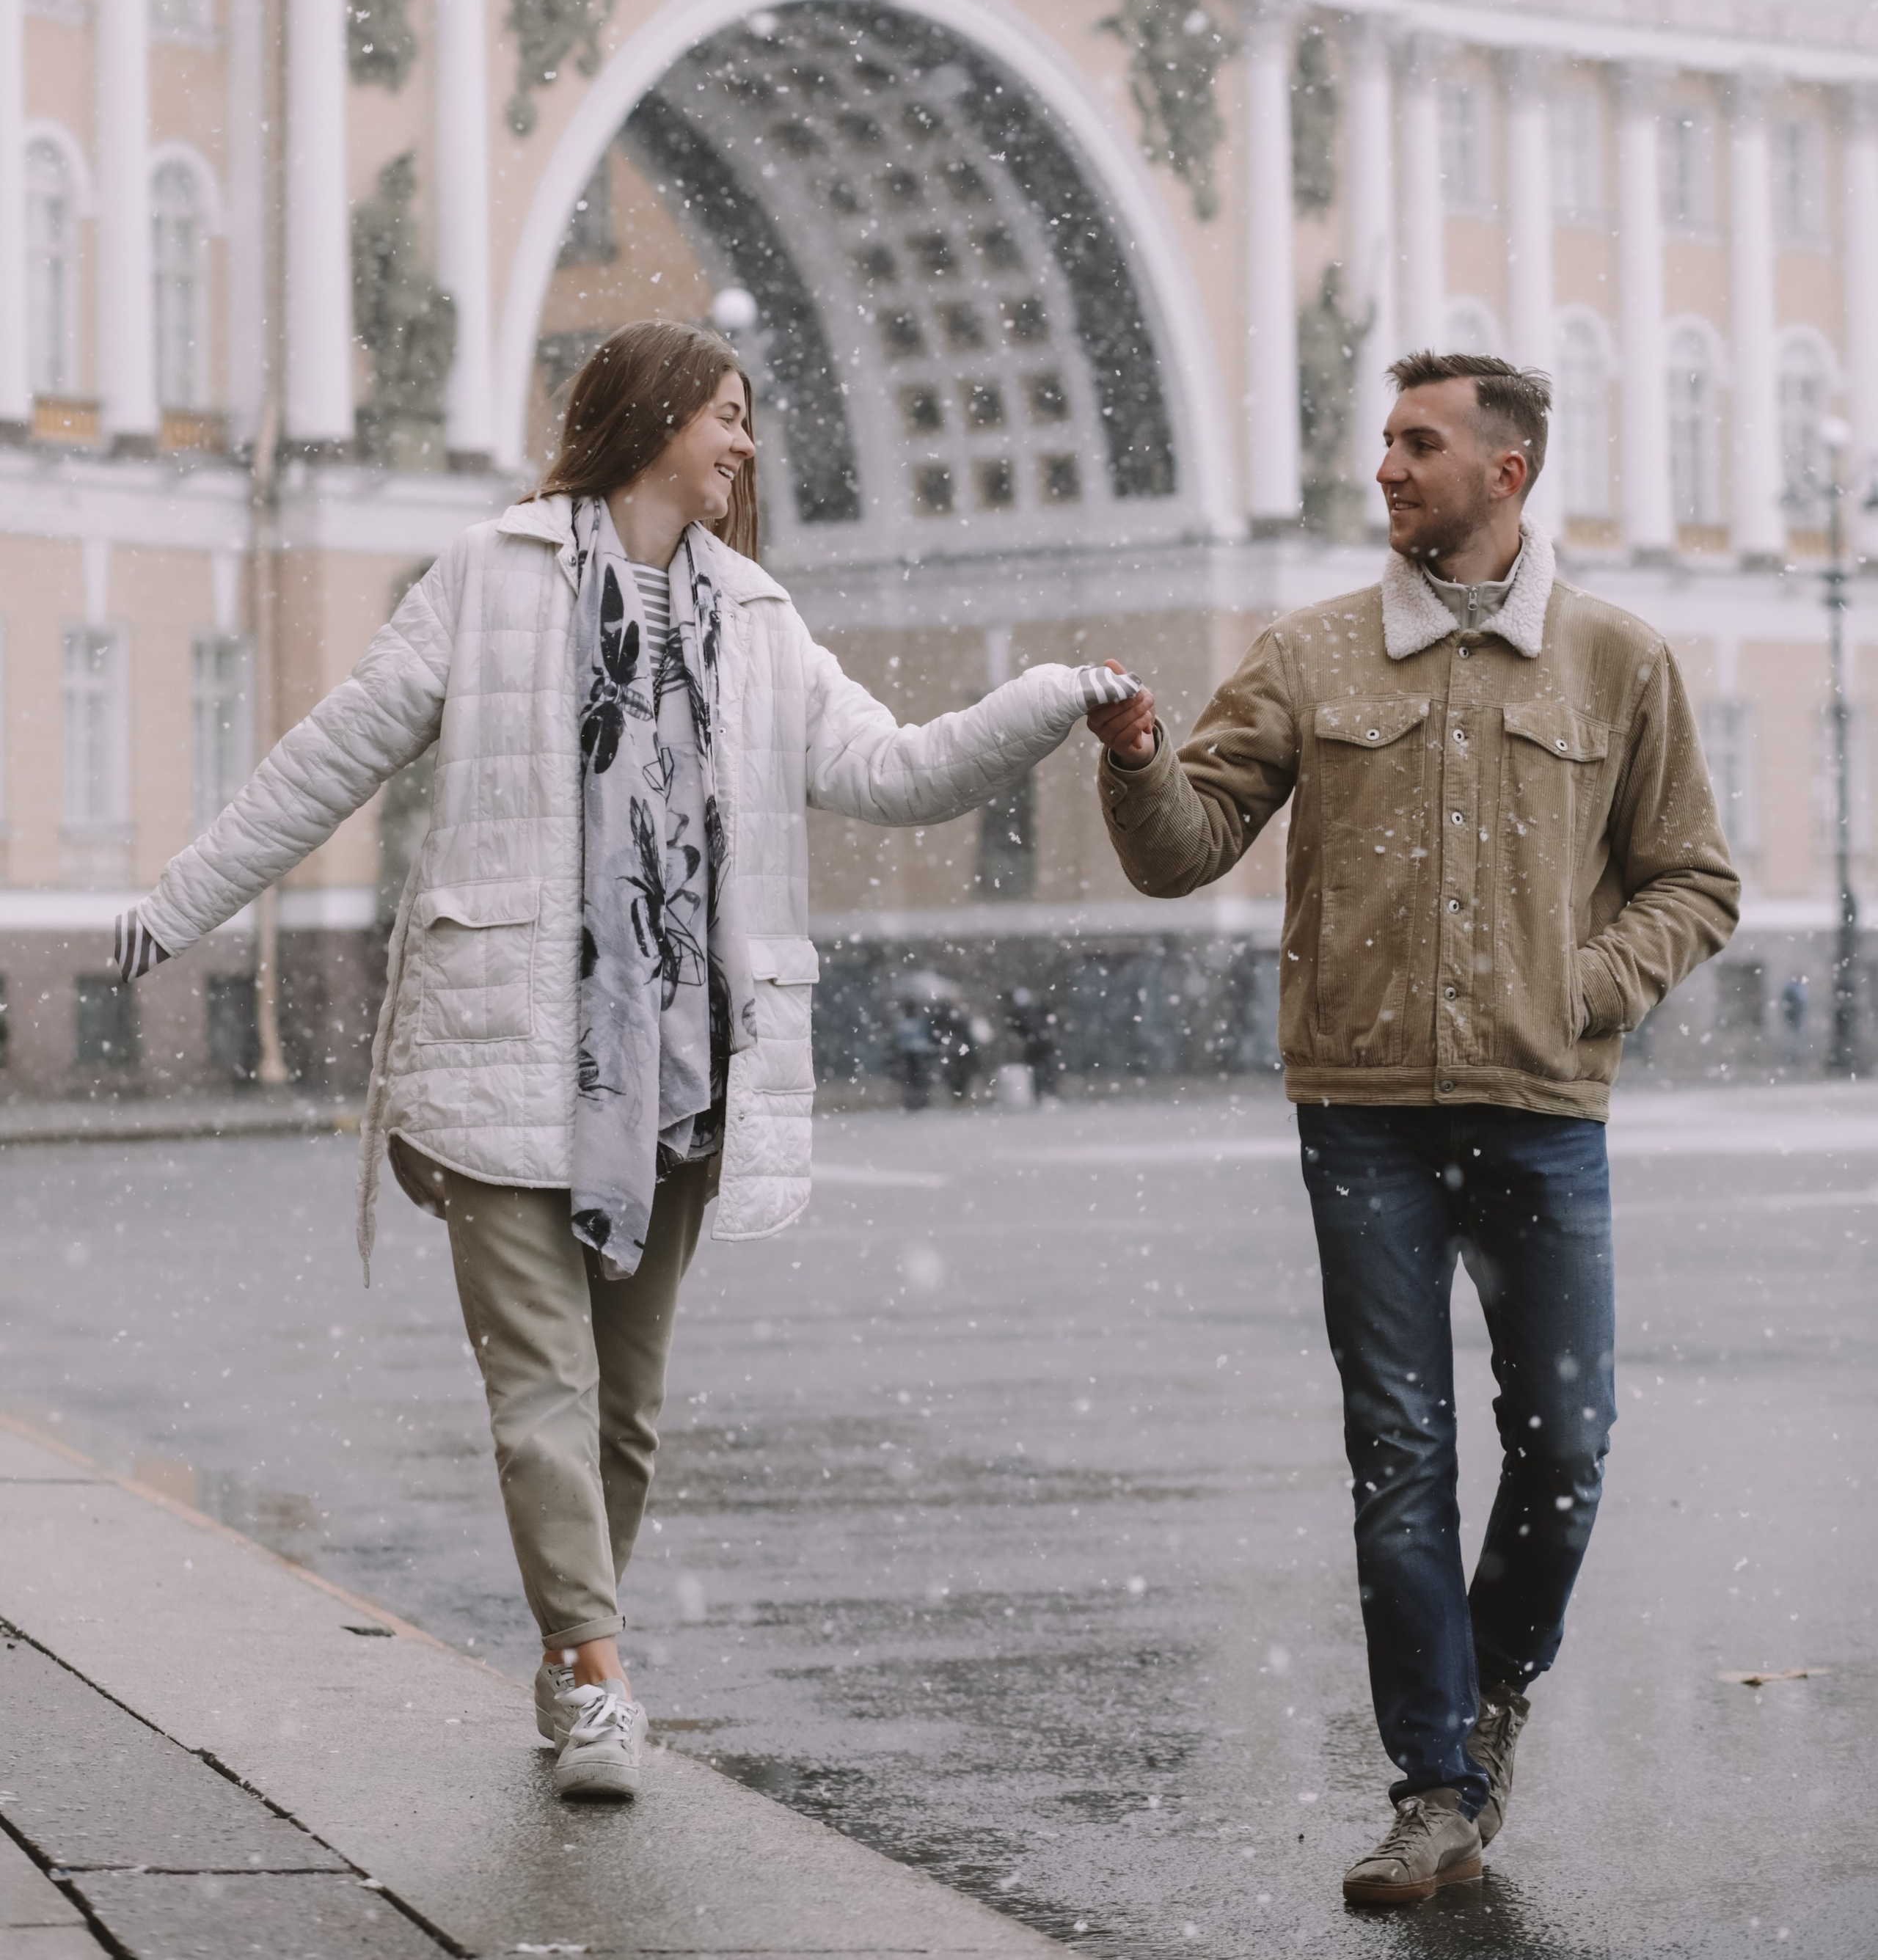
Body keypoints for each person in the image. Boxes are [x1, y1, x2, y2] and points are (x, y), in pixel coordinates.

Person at [112, 321, 1135, 1804]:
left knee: (621, 1412)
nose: (742, 444)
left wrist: (1054, 696)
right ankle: (597, 1676)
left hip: (675, 1072)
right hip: (498, 1051)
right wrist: (164, 914)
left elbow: (889, 771)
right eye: (725, 415)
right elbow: (330, 755)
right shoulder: (488, 577)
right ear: (653, 420)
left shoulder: (757, 617)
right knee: (541, 1385)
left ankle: (564, 1646)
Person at [1086, 351, 1738, 1906]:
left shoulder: (1613, 661)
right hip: (1362, 1119)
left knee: (1564, 1449)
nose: (1386, 467)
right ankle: (1430, 1787)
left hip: (1537, 1113)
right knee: (1397, 1461)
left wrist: (1581, 985)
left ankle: (1488, 1697)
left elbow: (1694, 880)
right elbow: (1184, 852)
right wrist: (1133, 770)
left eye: (1418, 444)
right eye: (1383, 441)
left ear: (1502, 473)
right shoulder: (1312, 657)